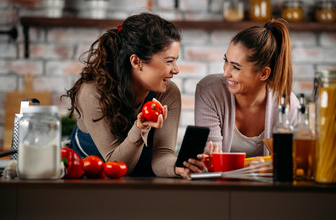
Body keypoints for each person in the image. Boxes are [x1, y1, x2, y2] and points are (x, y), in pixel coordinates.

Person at [63, 12, 187, 178]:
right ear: (136, 61)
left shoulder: (168, 93)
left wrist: (179, 167)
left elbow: (162, 156)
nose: (176, 70)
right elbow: (117, 167)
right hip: (86, 179)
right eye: (169, 61)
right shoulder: (93, 92)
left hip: (140, 181)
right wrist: (140, 128)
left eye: (176, 60)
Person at [192, 18, 299, 163]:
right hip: (220, 185)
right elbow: (211, 162)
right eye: (226, 61)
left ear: (263, 74)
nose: (226, 73)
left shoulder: (287, 104)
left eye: (236, 67)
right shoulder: (209, 91)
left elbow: (288, 163)